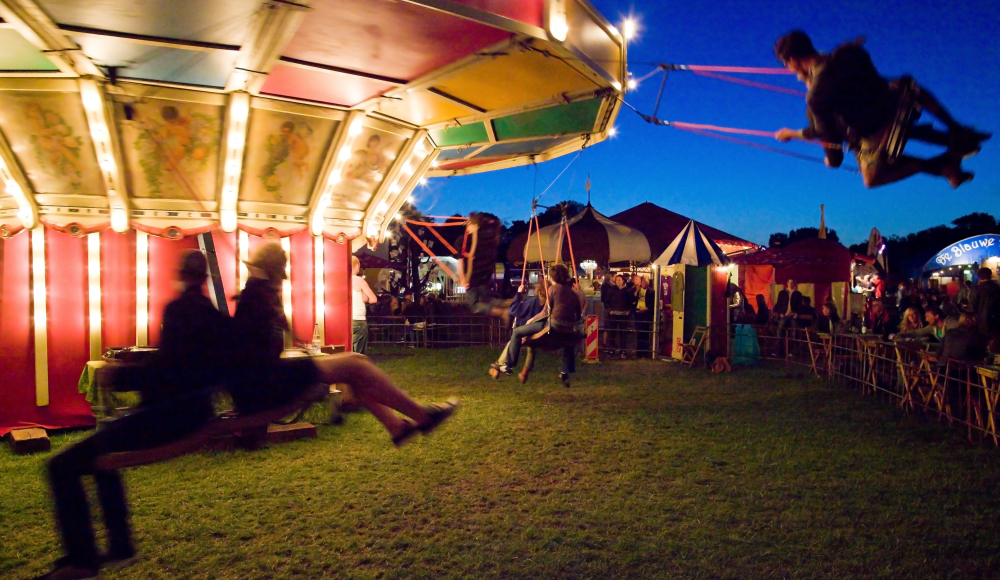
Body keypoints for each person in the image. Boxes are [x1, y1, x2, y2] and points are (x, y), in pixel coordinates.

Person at [35, 251, 229, 580]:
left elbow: (172, 371)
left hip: (170, 417)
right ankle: (120, 546)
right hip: (192, 412)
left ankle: (82, 559)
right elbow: (188, 365)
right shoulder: (213, 315)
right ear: (205, 277)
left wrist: (121, 376)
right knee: (105, 451)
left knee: (60, 466)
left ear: (181, 275)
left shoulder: (180, 310)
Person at [231, 243, 459, 448]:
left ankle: (397, 426)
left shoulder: (256, 296)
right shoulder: (256, 297)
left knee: (356, 364)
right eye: (278, 276)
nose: (281, 282)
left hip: (266, 376)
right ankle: (423, 417)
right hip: (266, 381)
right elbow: (255, 355)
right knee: (356, 365)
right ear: (269, 274)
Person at [773, 30, 989, 188]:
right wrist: (810, 80)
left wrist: (794, 136)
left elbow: (828, 139)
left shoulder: (817, 96)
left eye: (786, 65)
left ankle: (941, 165)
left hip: (876, 129)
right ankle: (955, 130)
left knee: (871, 178)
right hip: (894, 103)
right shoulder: (847, 52)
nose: (787, 69)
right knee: (903, 85)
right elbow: (833, 76)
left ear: (792, 60)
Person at [489, 282, 547, 382]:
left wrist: (518, 293)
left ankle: (499, 365)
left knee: (513, 341)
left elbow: (514, 309)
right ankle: (524, 372)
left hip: (526, 330)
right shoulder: (549, 304)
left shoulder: (534, 301)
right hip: (541, 333)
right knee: (531, 349)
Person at [458, 212, 504, 318]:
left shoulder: (463, 241)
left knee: (473, 305)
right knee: (488, 300)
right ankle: (509, 304)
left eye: (468, 223)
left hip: (473, 278)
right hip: (483, 277)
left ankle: (501, 312)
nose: (466, 226)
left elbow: (460, 261)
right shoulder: (487, 239)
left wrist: (463, 279)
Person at [603, 274, 635, 359]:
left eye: (620, 280)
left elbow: (631, 302)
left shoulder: (627, 291)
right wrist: (610, 310)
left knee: (623, 333)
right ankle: (611, 350)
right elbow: (606, 301)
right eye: (617, 280)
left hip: (623, 315)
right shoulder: (611, 290)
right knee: (612, 333)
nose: (618, 282)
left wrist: (629, 310)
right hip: (614, 314)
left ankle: (623, 351)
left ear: (623, 281)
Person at [351, 256, 377, 354]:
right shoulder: (359, 280)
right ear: (357, 265)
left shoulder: (342, 280)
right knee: (359, 352)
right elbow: (373, 299)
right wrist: (363, 295)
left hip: (347, 320)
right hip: (358, 319)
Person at [971, 268, 1000, 340]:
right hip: (995, 321)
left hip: (979, 323)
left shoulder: (976, 289)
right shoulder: (997, 288)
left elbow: (972, 306)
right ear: (990, 276)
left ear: (979, 277)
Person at [635, 276, 655, 358]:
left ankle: (645, 352)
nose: (643, 284)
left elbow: (652, 304)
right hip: (638, 313)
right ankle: (639, 352)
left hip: (646, 314)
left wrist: (646, 309)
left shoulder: (651, 291)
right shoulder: (638, 290)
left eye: (645, 283)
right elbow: (632, 297)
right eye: (642, 283)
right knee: (638, 333)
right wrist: (636, 290)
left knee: (645, 333)